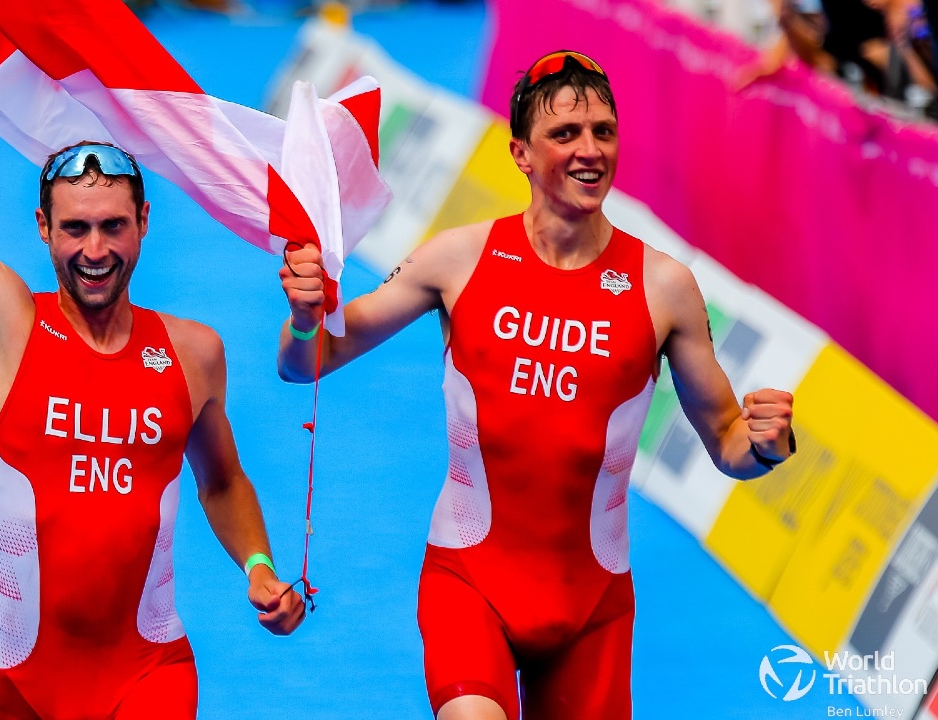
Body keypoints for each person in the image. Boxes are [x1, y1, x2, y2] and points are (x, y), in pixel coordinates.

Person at [277, 51, 796, 720]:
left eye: (603, 132)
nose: (590, 151)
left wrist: (768, 446)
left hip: (594, 612)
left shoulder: (663, 287)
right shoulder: (457, 259)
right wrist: (300, 318)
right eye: (566, 134)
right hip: (469, 582)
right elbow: (305, 363)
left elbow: (729, 441)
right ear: (520, 153)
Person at [0, 0, 305, 717]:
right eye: (74, 229)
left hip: (150, 674)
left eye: (111, 227)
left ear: (143, 224)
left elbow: (222, 483)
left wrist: (259, 567)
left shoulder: (193, 353)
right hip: (22, 685)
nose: (94, 252)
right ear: (42, 229)